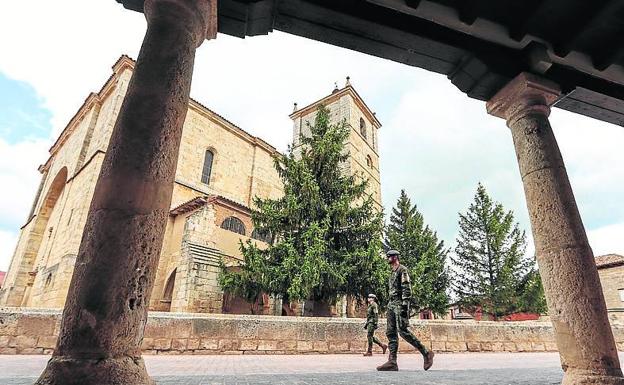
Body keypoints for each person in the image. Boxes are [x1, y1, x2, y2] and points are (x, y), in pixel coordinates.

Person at [377, 249, 434, 371]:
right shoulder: (392, 272)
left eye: (390, 256)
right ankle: (392, 361)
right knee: (390, 332)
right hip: (391, 303)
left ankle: (426, 352)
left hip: (399, 303)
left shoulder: (402, 270)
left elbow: (406, 288)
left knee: (403, 331)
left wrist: (405, 305)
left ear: (395, 257)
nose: (388, 258)